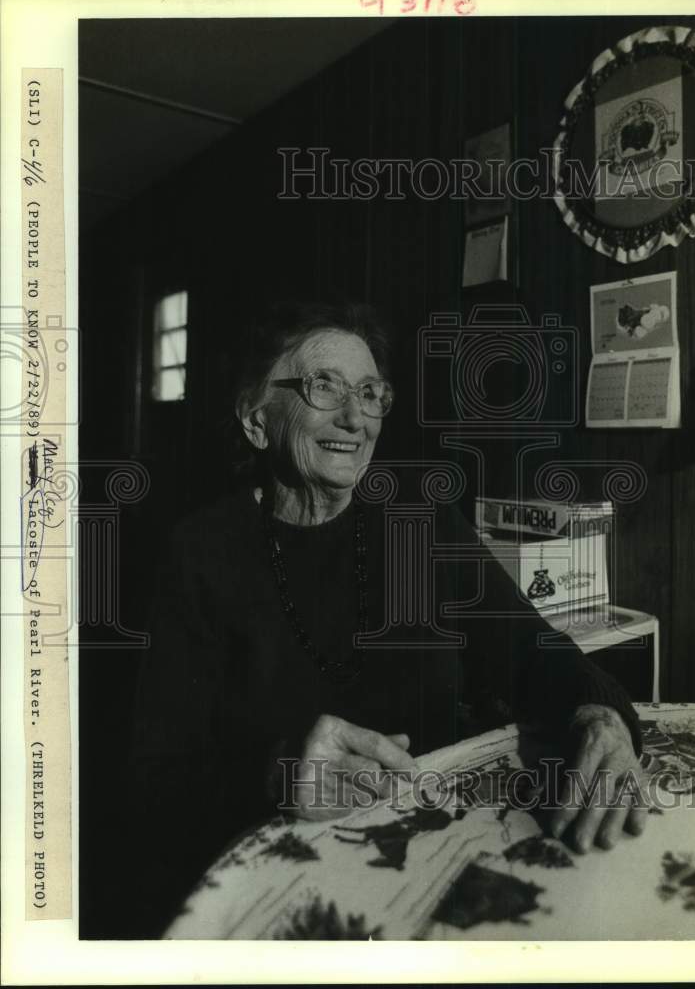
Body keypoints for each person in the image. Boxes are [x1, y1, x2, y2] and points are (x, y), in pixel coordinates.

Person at [128, 300, 647, 937]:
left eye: (371, 394)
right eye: (325, 387)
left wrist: (600, 716)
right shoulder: (200, 554)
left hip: (441, 873)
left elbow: (535, 652)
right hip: (286, 887)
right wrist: (279, 770)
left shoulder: (421, 520)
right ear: (256, 420)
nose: (356, 417)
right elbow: (157, 781)